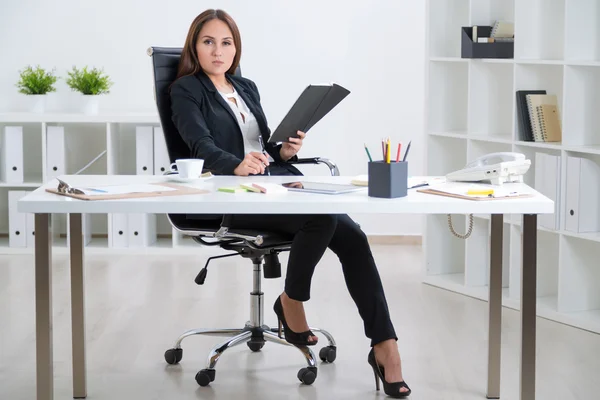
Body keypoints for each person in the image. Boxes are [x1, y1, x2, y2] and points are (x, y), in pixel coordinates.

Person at [169, 9, 411, 398]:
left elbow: (259, 147)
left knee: (353, 236)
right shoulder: (186, 90)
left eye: (226, 42)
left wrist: (282, 149)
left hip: (272, 185)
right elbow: (201, 145)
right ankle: (292, 301)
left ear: (236, 48)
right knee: (322, 218)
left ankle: (385, 346)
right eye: (208, 42)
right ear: (194, 47)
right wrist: (235, 165)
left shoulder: (245, 87)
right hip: (231, 194)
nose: (218, 51)